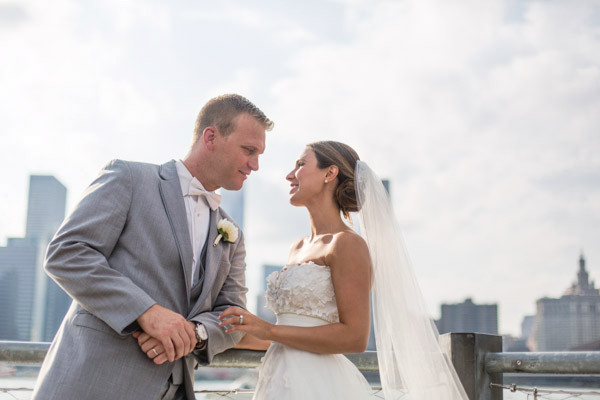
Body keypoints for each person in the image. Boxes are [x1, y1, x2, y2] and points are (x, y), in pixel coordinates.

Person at [32, 94, 273, 400]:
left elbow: (234, 314)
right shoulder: (130, 178)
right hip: (94, 384)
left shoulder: (233, 234)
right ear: (211, 137)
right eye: (249, 151)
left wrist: (195, 334)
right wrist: (146, 312)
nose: (255, 165)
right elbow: (67, 252)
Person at [219, 141, 469, 399]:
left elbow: (355, 337)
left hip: (319, 384)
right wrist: (218, 338)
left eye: (301, 165)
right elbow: (290, 332)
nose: (289, 175)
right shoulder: (298, 248)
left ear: (330, 173)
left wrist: (269, 330)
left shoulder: (347, 244)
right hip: (278, 380)